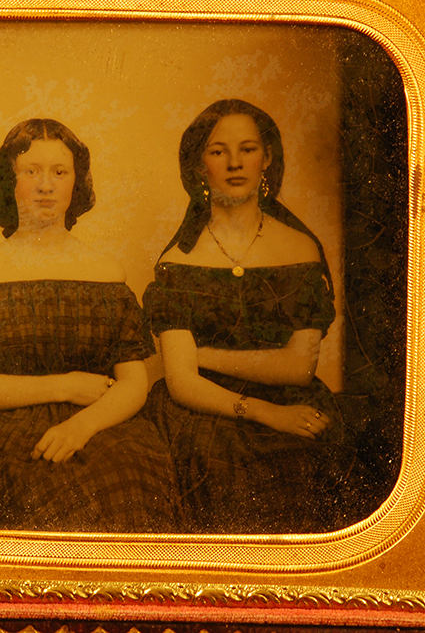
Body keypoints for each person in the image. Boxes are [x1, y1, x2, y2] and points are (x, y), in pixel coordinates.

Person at [144, 99, 363, 534]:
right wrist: (262, 411)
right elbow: (182, 383)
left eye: (247, 149)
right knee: (209, 467)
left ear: (267, 158)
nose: (234, 163)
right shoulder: (177, 261)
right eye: (217, 150)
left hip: (291, 401)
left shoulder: (299, 250)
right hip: (202, 411)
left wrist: (198, 354)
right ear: (199, 164)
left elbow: (298, 368)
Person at [0, 119, 180, 533]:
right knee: (40, 484)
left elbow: (133, 382)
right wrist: (65, 386)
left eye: (59, 172)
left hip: (100, 423)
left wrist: (82, 425)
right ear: (10, 181)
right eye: (31, 171)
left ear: (77, 183)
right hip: (7, 428)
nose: (45, 185)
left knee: (128, 479)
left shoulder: (105, 273)